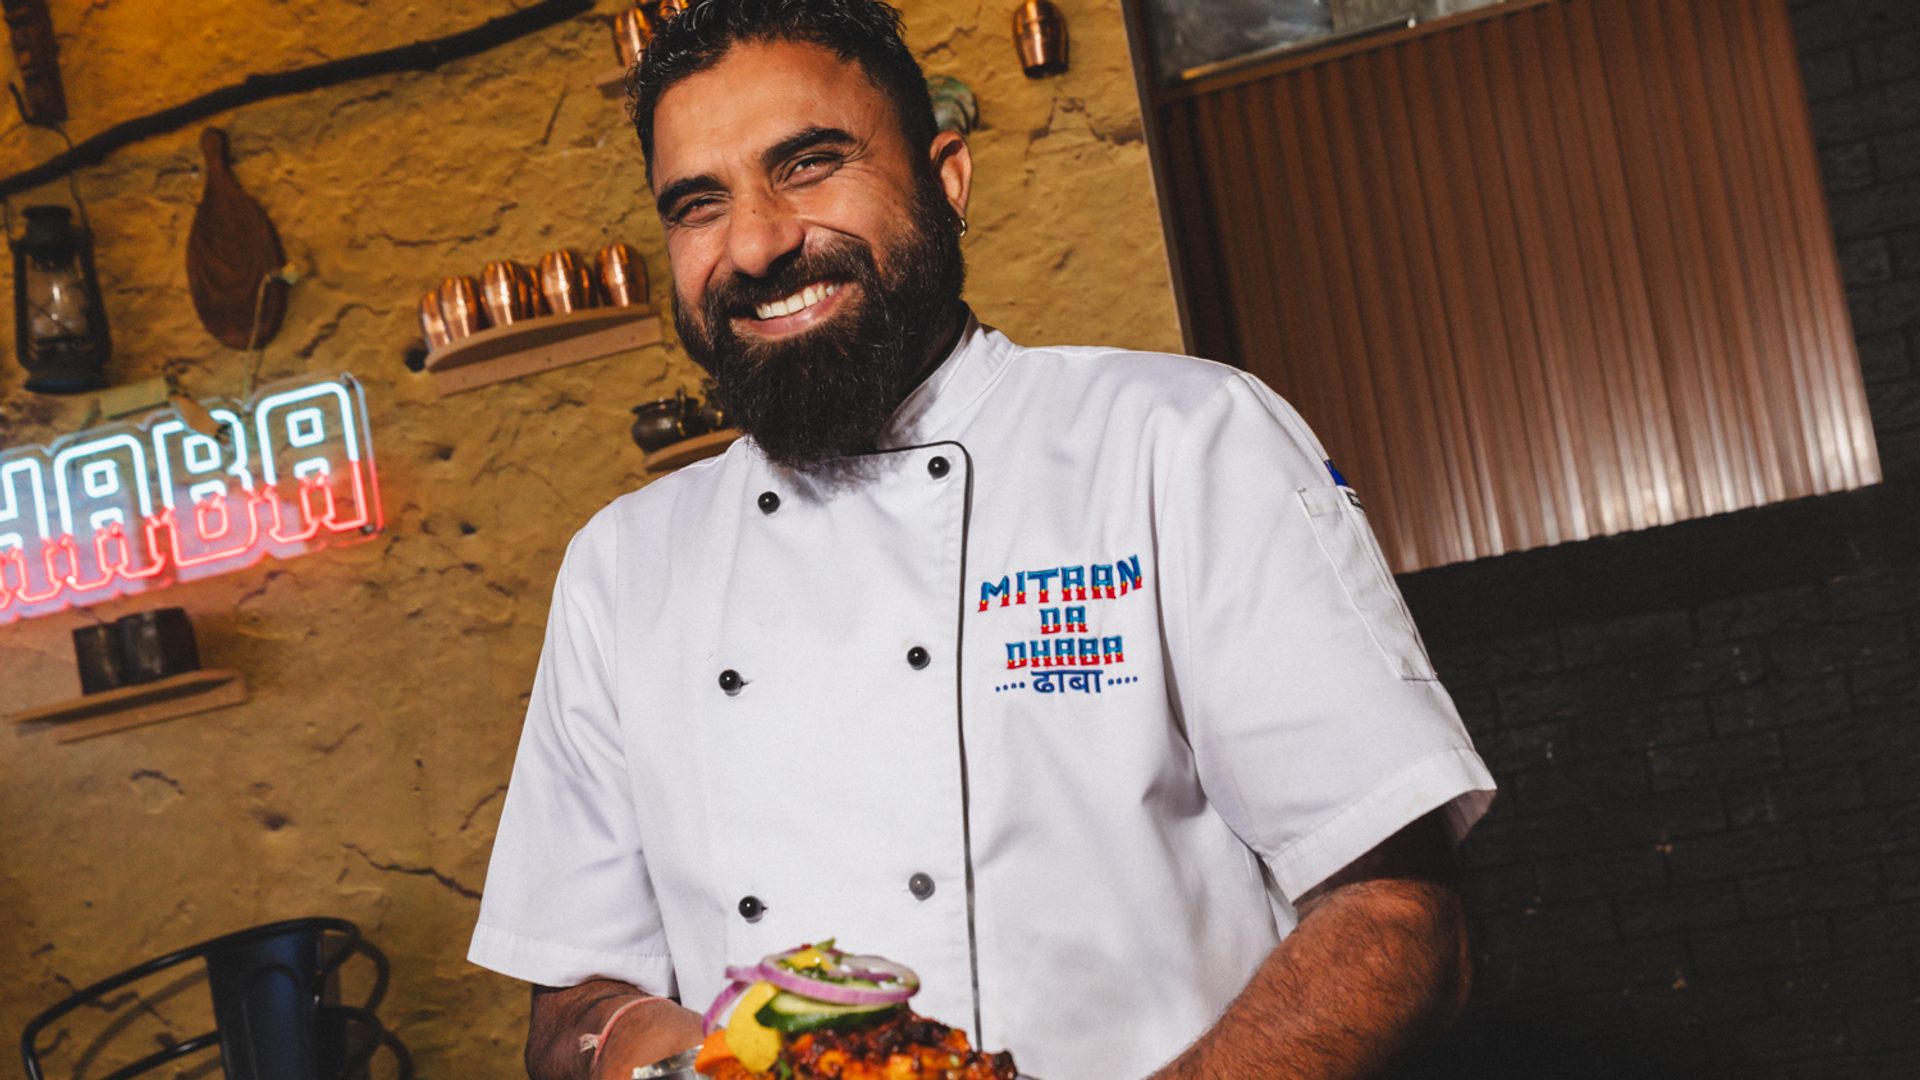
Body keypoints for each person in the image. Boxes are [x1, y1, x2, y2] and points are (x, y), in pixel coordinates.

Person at [468, 2, 1496, 1078]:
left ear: (946, 179)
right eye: (698, 204)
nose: (757, 243)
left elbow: (1400, 921)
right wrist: (636, 1041)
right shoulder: (621, 569)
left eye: (809, 165)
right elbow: (571, 1006)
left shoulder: (1180, 441)